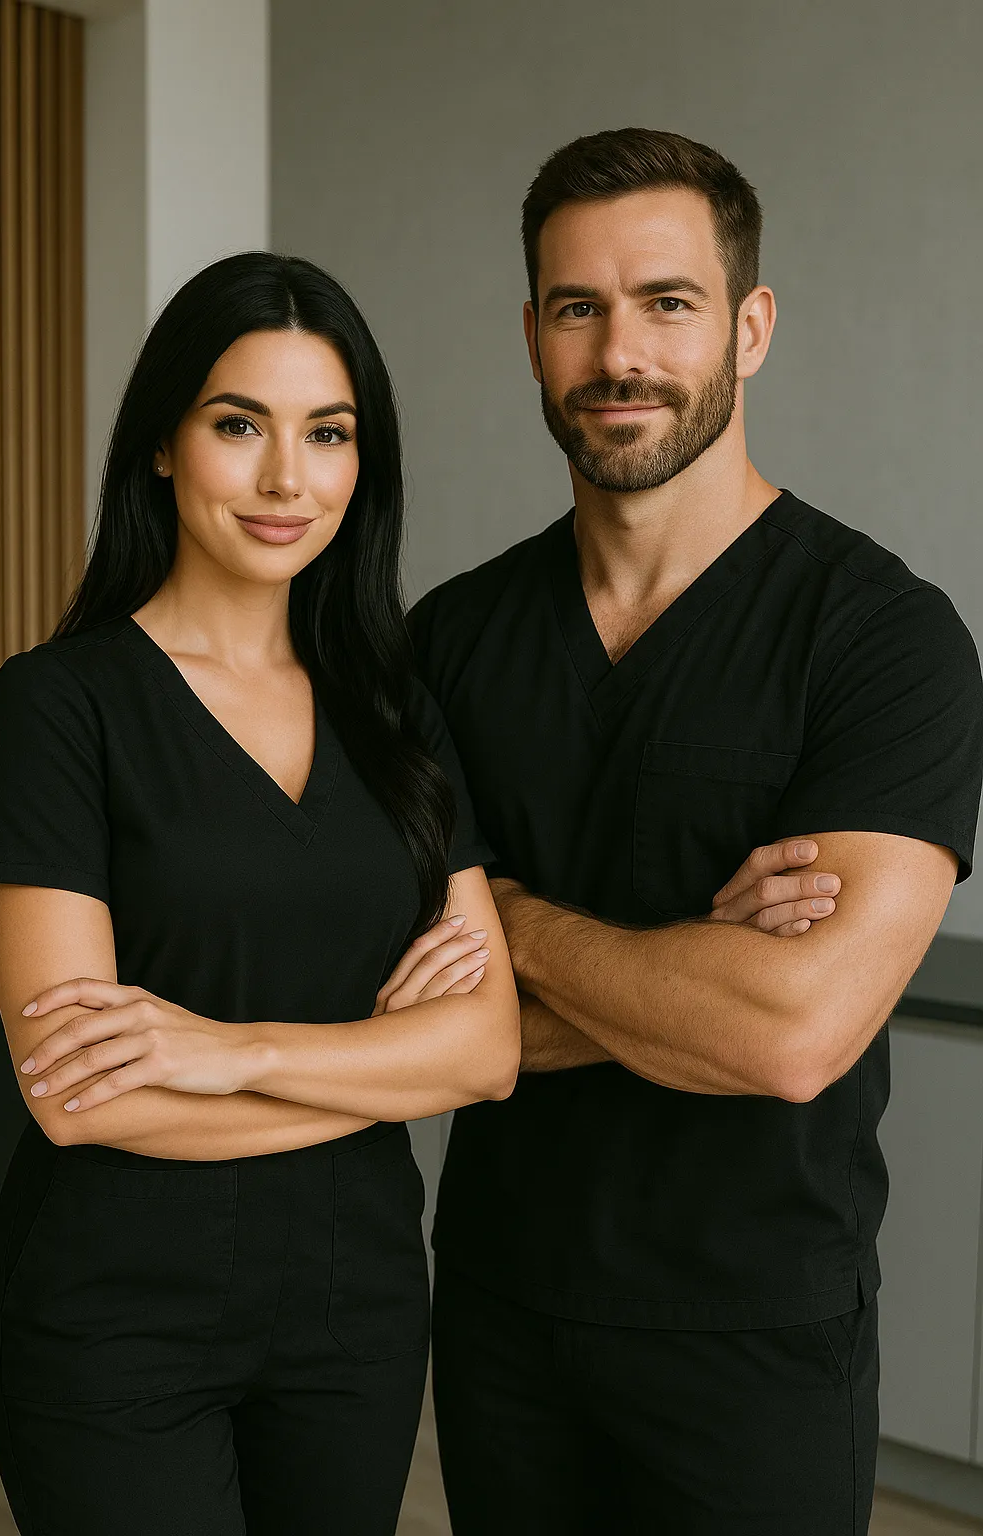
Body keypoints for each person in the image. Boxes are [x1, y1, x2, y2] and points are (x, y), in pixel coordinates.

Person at [409, 128, 983, 1536]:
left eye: (668, 302)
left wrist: (510, 919)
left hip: (756, 1335)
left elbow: (791, 1036)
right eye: (577, 307)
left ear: (751, 325)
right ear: (531, 336)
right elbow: (393, 1005)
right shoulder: (447, 643)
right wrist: (700, 972)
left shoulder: (885, 639)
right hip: (498, 1315)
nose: (622, 353)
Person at [0, 252, 523, 1536]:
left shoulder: (397, 717)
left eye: (328, 434)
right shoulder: (61, 706)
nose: (288, 480)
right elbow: (74, 1096)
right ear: (162, 444)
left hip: (355, 1308)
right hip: (115, 1317)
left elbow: (487, 1052)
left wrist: (225, 1053)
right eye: (237, 426)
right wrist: (383, 1060)